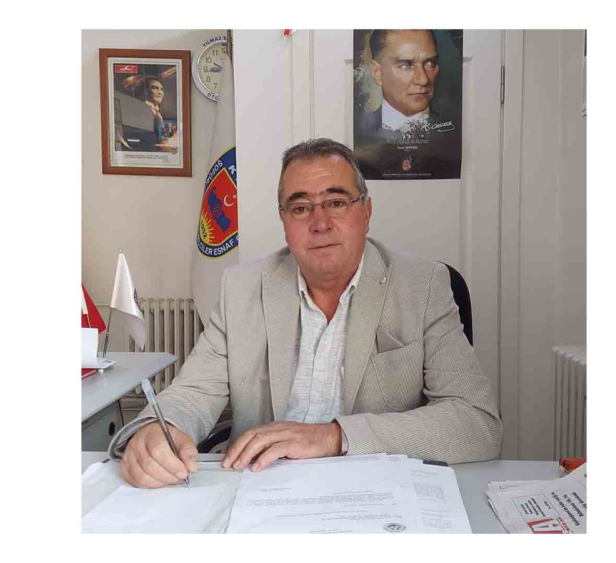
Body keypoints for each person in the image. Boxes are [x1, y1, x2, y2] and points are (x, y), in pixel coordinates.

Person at [112, 138, 501, 488]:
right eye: (300, 208)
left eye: (336, 202)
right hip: (263, 490)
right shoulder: (242, 288)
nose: (320, 223)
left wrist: (334, 436)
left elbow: (477, 423)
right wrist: (160, 429)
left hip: (375, 494)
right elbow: (194, 392)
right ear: (284, 221)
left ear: (366, 212)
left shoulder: (423, 285)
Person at [354, 30, 461, 179]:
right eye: (406, 65)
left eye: (430, 63)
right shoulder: (358, 134)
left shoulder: (456, 134)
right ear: (377, 72)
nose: (423, 80)